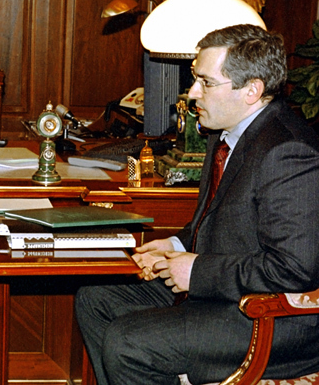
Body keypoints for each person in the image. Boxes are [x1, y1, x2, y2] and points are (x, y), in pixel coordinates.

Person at [75, 24, 319, 384]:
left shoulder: (288, 151)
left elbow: (295, 269)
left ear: (252, 90)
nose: (192, 94)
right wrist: (174, 245)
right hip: (225, 294)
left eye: (206, 82)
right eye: (195, 79)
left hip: (271, 320)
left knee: (128, 341)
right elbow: (220, 220)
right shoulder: (225, 133)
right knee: (95, 300)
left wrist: (197, 272)